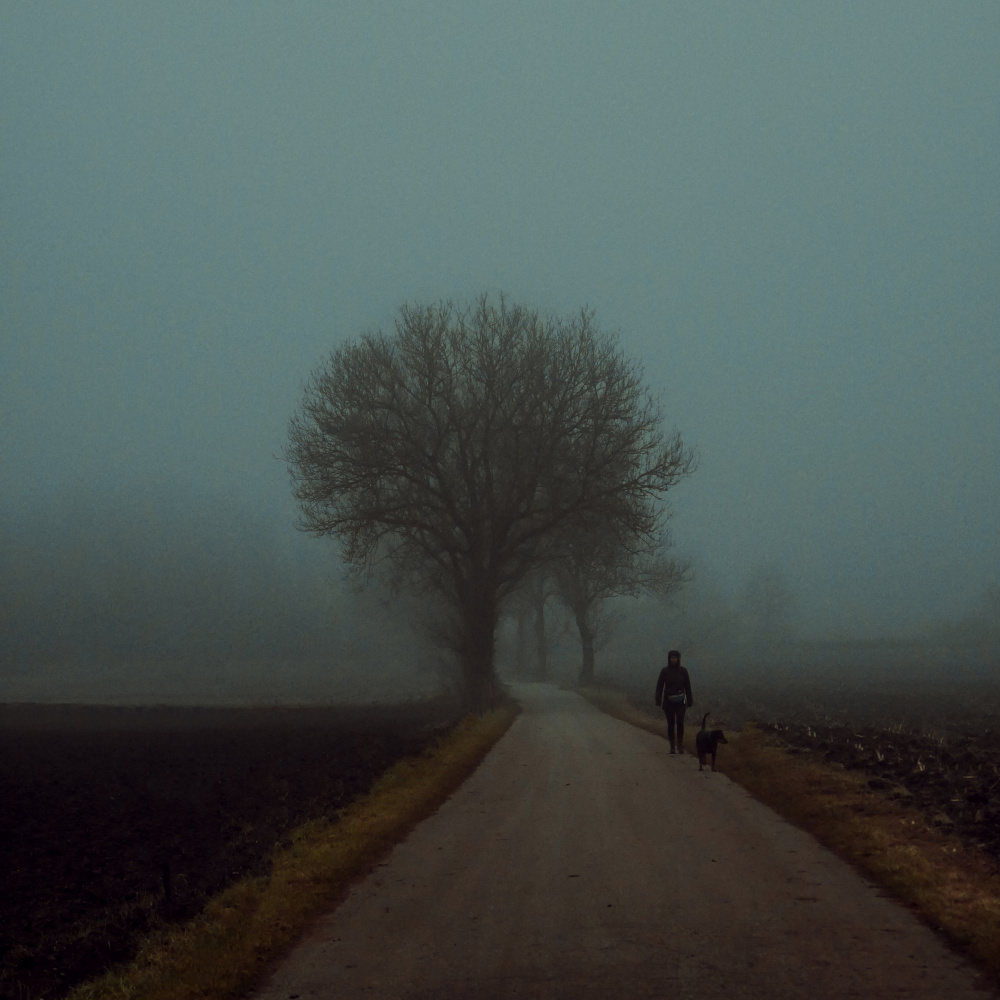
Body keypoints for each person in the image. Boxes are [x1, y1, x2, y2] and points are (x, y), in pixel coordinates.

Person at [655, 649, 693, 754]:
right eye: (672, 658)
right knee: (671, 723)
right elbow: (659, 686)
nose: (673, 660)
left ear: (678, 659)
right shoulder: (665, 671)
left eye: (675, 658)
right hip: (668, 701)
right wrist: (658, 700)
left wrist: (690, 700)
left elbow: (688, 686)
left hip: (681, 701)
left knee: (680, 722)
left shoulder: (683, 671)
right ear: (669, 659)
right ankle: (672, 747)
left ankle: (680, 746)